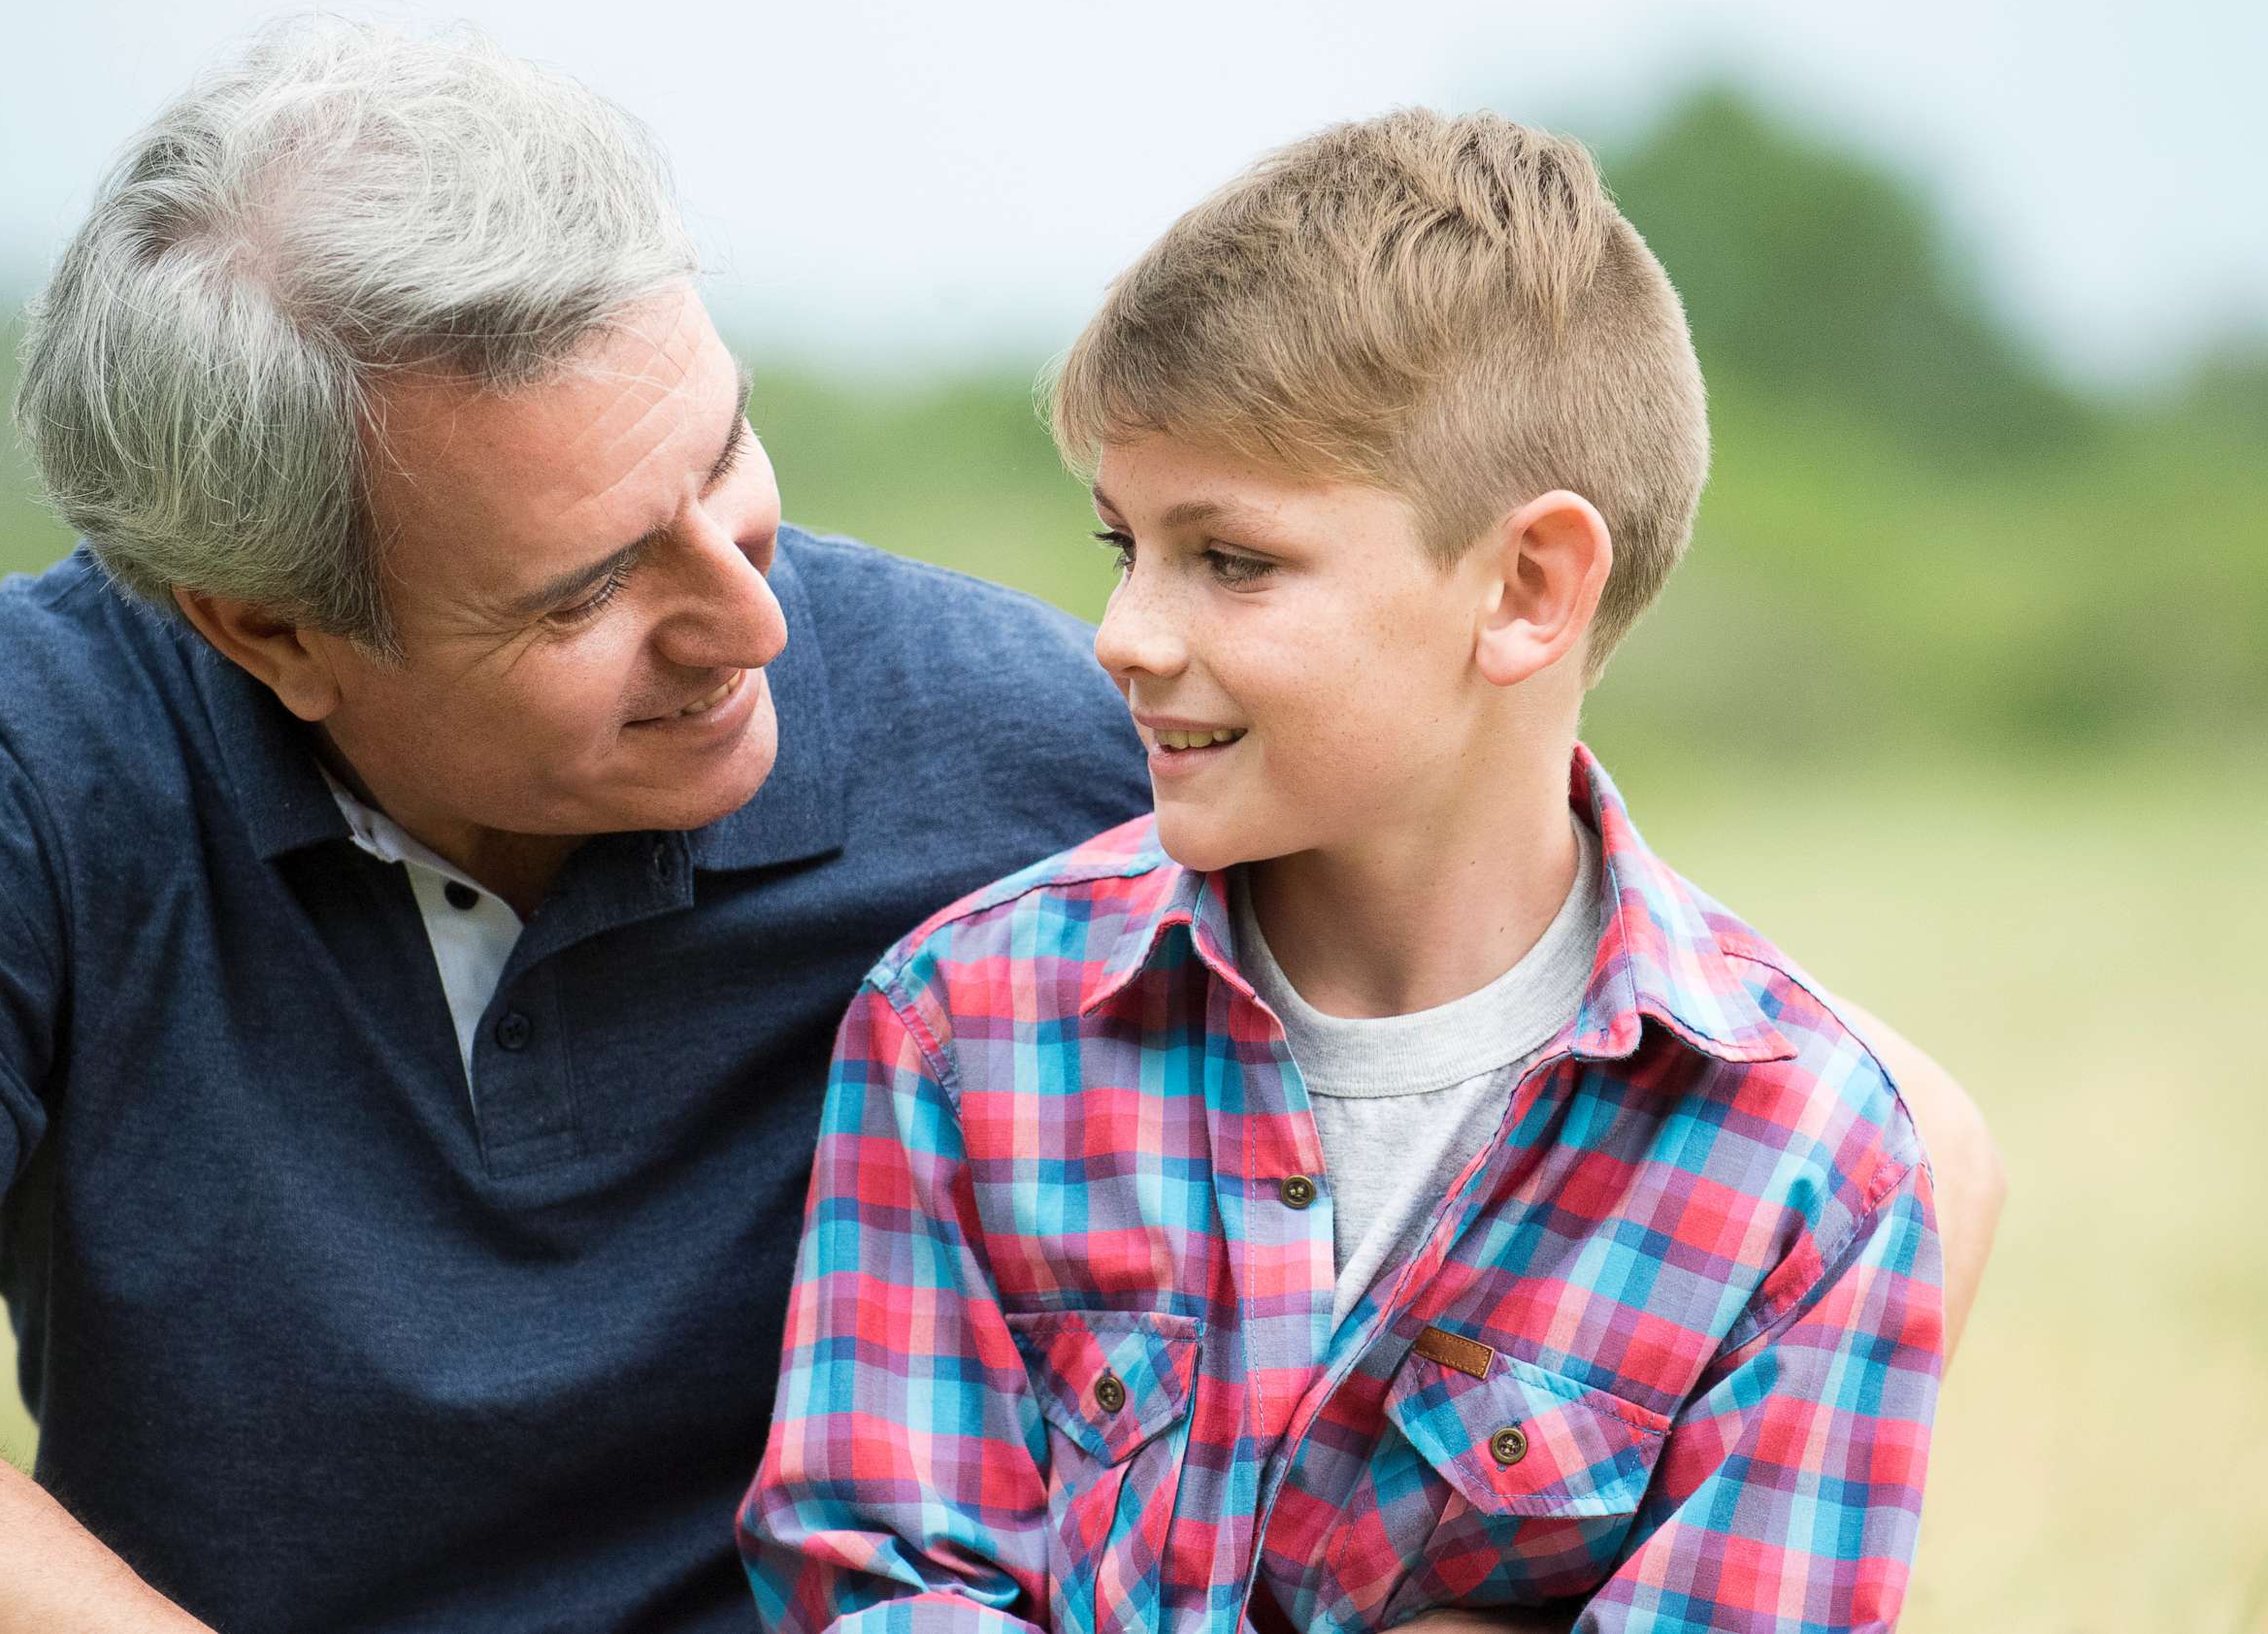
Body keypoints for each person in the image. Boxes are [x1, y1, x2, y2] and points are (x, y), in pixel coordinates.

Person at [0, 22, 1997, 1634]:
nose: (750, 615)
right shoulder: (25, 762)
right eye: (583, 590)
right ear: (271, 629)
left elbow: (1792, 1095)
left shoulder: (1014, 729)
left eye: (722, 463)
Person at [740, 111, 1961, 1633]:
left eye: (1230, 558)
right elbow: (878, 1583)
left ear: (1526, 588)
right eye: (1124, 544)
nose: (1124, 631)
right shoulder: (959, 1030)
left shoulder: (1811, 1168)